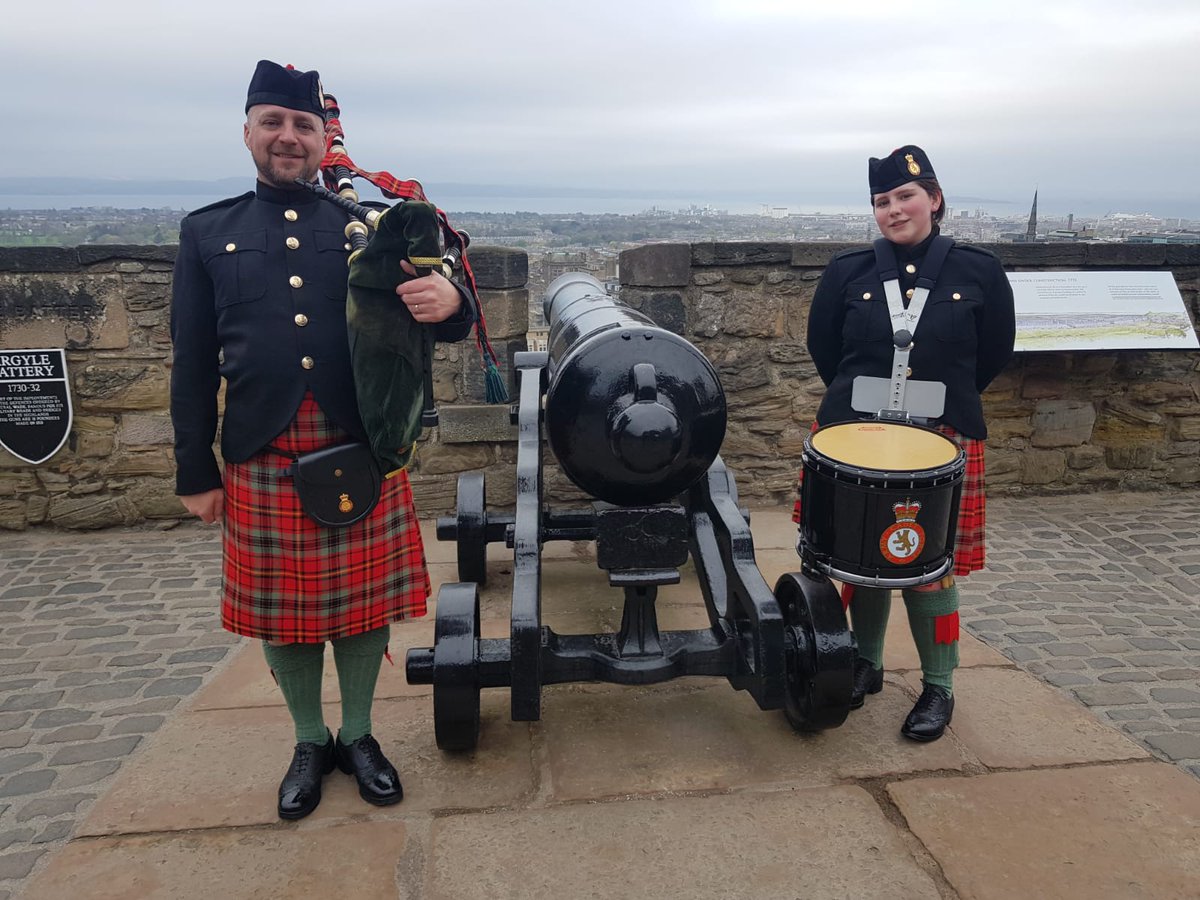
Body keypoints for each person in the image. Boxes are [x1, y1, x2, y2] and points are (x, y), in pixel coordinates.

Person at [170, 59, 474, 819]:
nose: (287, 136)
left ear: (322, 138)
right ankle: (310, 740)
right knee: (282, 613)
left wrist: (451, 300)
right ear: (247, 132)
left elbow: (439, 314)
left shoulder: (367, 228)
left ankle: (360, 734)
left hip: (360, 442)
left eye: (302, 125)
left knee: (362, 609)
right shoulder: (209, 231)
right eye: (272, 122)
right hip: (262, 450)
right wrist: (193, 469)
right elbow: (192, 361)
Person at [801, 144, 1015, 742]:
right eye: (882, 201)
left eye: (905, 196)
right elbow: (825, 348)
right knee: (859, 560)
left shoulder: (979, 271)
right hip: (856, 436)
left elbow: (994, 352)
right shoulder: (848, 270)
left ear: (934, 200)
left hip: (940, 438)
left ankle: (938, 685)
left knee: (930, 569)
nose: (893, 209)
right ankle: (866, 664)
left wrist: (944, 403)